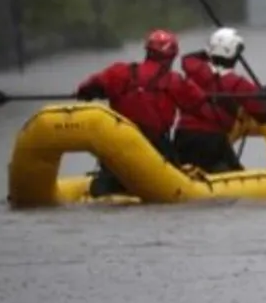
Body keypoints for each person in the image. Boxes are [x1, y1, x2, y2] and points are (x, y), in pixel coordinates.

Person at [74, 29, 209, 197]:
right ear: (170, 57)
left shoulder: (120, 72)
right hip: (153, 148)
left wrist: (90, 94)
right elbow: (200, 103)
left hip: (118, 143)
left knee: (106, 182)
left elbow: (87, 88)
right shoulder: (175, 81)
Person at [174, 27, 266, 174]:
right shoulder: (238, 84)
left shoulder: (194, 70)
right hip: (212, 142)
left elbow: (192, 57)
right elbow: (265, 114)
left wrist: (211, 49)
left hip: (182, 137)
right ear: (235, 55)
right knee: (234, 171)